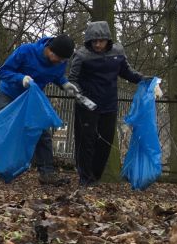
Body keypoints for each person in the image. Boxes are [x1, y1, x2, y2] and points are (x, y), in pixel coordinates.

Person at [67, 20, 161, 186]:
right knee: (86, 141)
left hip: (109, 104)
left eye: (101, 41)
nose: (97, 44)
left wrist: (145, 80)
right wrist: (80, 97)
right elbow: (73, 79)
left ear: (107, 40)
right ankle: (85, 179)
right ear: (88, 41)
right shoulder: (81, 55)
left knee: (105, 142)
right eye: (94, 41)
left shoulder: (117, 52)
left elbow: (126, 72)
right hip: (87, 105)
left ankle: (95, 177)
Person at [0, 33, 77, 185]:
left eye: (63, 61)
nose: (60, 63)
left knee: (42, 133)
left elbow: (57, 75)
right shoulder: (26, 51)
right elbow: (2, 72)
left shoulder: (59, 62)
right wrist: (21, 78)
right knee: (7, 131)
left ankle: (47, 174)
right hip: (10, 95)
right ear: (50, 50)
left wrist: (64, 83)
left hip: (32, 99)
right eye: (59, 59)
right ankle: (0, 170)